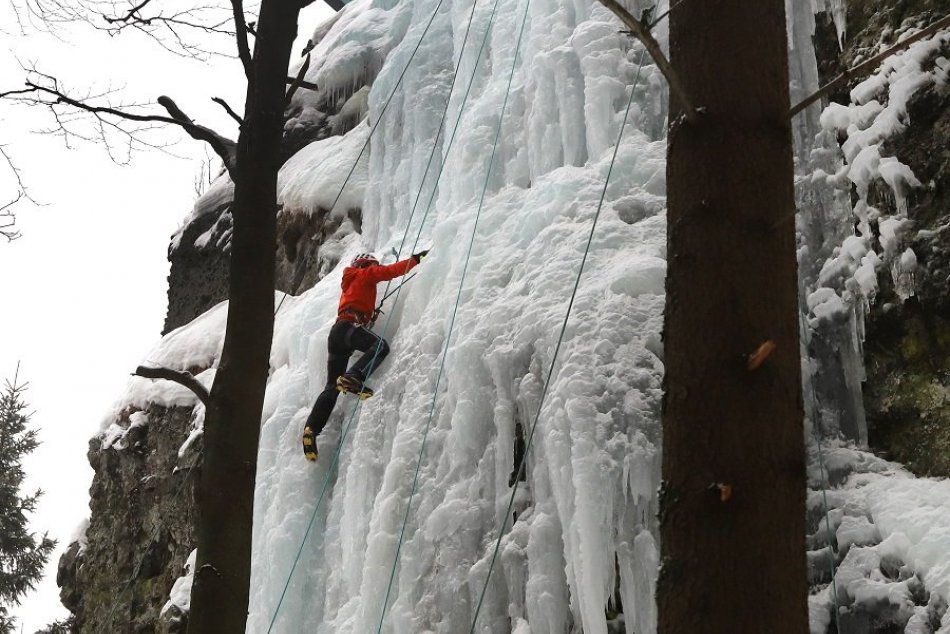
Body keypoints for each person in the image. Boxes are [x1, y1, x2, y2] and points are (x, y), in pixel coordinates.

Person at [302, 249, 428, 461]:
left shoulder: (350, 282)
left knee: (332, 386)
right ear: (367, 264)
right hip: (349, 326)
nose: (375, 269)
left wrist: (368, 315)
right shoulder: (365, 274)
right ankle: (354, 376)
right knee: (380, 346)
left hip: (337, 333)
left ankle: (311, 430)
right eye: (373, 265)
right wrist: (418, 259)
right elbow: (391, 271)